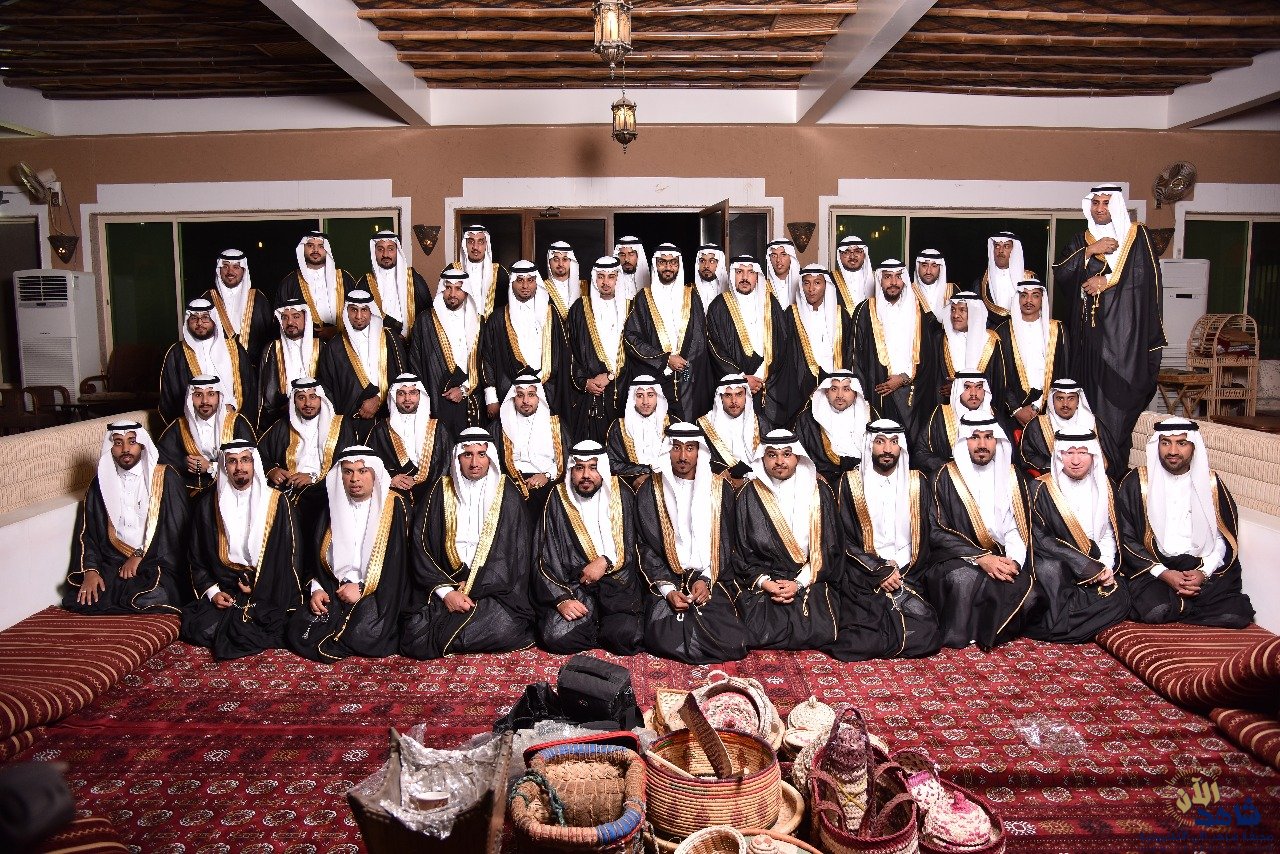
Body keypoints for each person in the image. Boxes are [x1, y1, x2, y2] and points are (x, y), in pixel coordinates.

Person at [1054, 184, 1166, 479]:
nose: (1100, 208)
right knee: (1088, 411)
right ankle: (1088, 474)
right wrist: (1090, 250)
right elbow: (1061, 274)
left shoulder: (1137, 236)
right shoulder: (1081, 240)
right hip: (1088, 344)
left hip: (1125, 346)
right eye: (1096, 203)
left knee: (1118, 414)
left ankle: (1115, 476)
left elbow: (1146, 284)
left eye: (1106, 202)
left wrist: (1107, 283)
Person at [400, 428, 535, 659]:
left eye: (481, 454)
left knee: (505, 626)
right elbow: (420, 547)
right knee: (414, 632)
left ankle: (457, 633)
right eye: (467, 455)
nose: (474, 463)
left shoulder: (508, 493)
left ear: (490, 457)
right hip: (447, 583)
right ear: (457, 458)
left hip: (492, 589)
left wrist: (475, 586)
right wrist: (447, 593)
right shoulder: (439, 491)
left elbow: (517, 555)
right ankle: (465, 631)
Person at [1116, 418, 1254, 628]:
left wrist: (1203, 573)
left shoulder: (1211, 484)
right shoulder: (1137, 481)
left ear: (1193, 446)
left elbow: (1223, 538)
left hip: (1197, 566)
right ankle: (1186, 605)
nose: (1172, 451)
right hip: (1155, 568)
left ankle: (1182, 605)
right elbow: (1125, 537)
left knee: (1236, 615)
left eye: (1181, 443)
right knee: (1156, 609)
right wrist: (1164, 573)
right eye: (1165, 443)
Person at [635, 422, 749, 664]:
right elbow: (645, 547)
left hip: (712, 576)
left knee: (733, 642)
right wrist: (668, 590)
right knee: (662, 638)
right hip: (667, 577)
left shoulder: (720, 489)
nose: (683, 456)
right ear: (668, 450)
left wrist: (706, 579)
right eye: (676, 447)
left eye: (690, 448)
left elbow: (727, 542)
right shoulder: (650, 490)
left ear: (700, 451)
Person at [927, 414, 1041, 650]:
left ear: (997, 440)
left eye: (989, 437)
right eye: (975, 438)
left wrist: (1014, 561)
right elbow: (937, 531)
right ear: (963, 441)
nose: (982, 444)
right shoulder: (943, 477)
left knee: (1029, 595)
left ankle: (985, 630)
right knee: (964, 579)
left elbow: (1016, 527)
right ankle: (962, 633)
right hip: (953, 556)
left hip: (1000, 556)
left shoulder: (1012, 476)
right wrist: (980, 558)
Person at [180, 440, 301, 659]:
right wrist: (213, 592)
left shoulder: (277, 502)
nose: (239, 467)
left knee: (282, 625)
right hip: (227, 585)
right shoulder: (207, 504)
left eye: (245, 460)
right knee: (200, 627)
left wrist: (260, 586)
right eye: (232, 461)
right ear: (224, 466)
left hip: (270, 587)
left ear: (254, 464)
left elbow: (291, 557)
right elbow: (196, 556)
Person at [286, 446, 409, 661]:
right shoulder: (329, 508)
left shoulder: (395, 507)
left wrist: (362, 588)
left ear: (375, 473)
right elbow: (314, 559)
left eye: (362, 471)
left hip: (379, 591)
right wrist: (317, 588)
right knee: (298, 628)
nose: (355, 479)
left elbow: (398, 566)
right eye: (348, 472)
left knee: (368, 632)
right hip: (335, 588)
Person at [834, 419, 943, 660]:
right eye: (880, 442)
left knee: (927, 633)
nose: (887, 449)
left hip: (909, 570)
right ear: (869, 445)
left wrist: (898, 566)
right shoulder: (849, 483)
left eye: (894, 442)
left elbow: (927, 533)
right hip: (864, 572)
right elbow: (842, 539)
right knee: (859, 639)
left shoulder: (917, 483)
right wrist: (879, 569)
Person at [64, 421, 189, 616]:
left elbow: (176, 532)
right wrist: (90, 571)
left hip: (156, 562)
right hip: (115, 563)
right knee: (81, 597)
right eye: (118, 443)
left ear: (142, 445)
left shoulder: (165, 477)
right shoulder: (99, 485)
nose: (125, 449)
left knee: (154, 593)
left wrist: (140, 555)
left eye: (132, 441)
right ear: (110, 447)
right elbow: (88, 533)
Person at [732, 430, 841, 651]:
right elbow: (739, 551)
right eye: (772, 455)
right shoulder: (747, 494)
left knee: (820, 630)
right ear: (763, 458)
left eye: (787, 454)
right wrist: (766, 583)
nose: (780, 461)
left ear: (798, 457)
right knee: (754, 631)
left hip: (808, 577)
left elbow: (829, 548)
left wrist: (799, 583)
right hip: (764, 578)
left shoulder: (819, 492)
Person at [534, 441, 643, 655]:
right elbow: (543, 556)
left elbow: (634, 544)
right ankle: (599, 628)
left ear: (602, 469)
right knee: (555, 635)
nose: (586, 475)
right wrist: (562, 598)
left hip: (618, 587)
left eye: (593, 467)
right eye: (579, 468)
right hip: (576, 587)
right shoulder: (557, 497)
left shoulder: (622, 494)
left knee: (626, 636)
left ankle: (604, 627)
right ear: (571, 471)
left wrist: (605, 561)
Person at [1027, 431, 1131, 643]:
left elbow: (1109, 533)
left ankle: (1064, 623)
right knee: (1049, 573)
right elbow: (1040, 539)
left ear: (1093, 455)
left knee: (1121, 598)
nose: (1075, 461)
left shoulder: (1106, 485)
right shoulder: (1040, 488)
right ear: (1059, 455)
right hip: (1057, 564)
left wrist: (1105, 566)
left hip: (1096, 563)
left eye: (1083, 453)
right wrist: (1084, 566)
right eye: (1069, 453)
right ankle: (1065, 623)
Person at [850, 259, 941, 440]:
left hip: (913, 394)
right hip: (877, 391)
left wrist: (903, 378)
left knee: (911, 443)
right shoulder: (864, 310)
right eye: (887, 277)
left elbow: (928, 357)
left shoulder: (918, 310)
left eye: (898, 277)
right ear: (880, 280)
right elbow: (855, 357)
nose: (893, 282)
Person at [258, 379, 358, 535]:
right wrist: (271, 470)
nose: (308, 403)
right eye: (301, 398)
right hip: (290, 490)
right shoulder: (282, 426)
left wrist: (313, 477)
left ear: (321, 398)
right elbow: (257, 454)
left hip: (326, 491)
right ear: (294, 401)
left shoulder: (341, 425)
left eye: (313, 397)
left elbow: (349, 463)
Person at [623, 244, 708, 421]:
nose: (668, 267)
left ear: (679, 265)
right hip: (654, 379)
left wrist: (683, 365)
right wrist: (665, 360)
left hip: (687, 381)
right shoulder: (643, 298)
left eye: (673, 262)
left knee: (686, 429)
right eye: (662, 262)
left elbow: (700, 336)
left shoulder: (691, 295)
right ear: (656, 265)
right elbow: (631, 338)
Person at [705, 255, 788, 425]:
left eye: (750, 272)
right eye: (739, 272)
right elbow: (715, 349)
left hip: (768, 385)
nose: (744, 277)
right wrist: (741, 379)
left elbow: (783, 343)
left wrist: (763, 376)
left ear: (757, 276)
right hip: (734, 389)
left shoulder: (771, 304)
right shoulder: (718, 306)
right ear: (732, 275)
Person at [410, 269, 493, 436]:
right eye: (448, 288)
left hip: (470, 396)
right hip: (435, 397)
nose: (452, 294)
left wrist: (464, 389)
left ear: (466, 291)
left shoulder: (479, 322)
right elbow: (415, 364)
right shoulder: (425, 320)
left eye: (458, 288)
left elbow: (486, 361)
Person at [317, 289, 407, 440]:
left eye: (364, 310)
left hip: (388, 417)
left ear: (371, 311)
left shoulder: (390, 338)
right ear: (346, 312)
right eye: (354, 310)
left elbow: (402, 377)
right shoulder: (334, 346)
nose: (359, 316)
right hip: (351, 421)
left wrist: (379, 398)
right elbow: (328, 389)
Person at [481, 260, 568, 413]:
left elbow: (563, 356)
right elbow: (487, 358)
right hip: (509, 391)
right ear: (512, 283)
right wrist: (491, 398)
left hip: (548, 390)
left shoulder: (551, 314)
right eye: (520, 280)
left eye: (530, 280)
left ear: (536, 283)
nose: (525, 286)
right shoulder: (498, 318)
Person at [566, 257, 631, 443]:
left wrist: (611, 376)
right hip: (591, 392)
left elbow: (636, 352)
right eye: (601, 276)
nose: (605, 282)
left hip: (623, 389)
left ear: (618, 278)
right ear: (594, 278)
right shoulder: (580, 308)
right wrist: (584, 382)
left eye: (611, 277)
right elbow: (570, 351)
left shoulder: (631, 307)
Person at [156, 375, 256, 494]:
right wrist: (185, 463)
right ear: (190, 398)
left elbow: (251, 464)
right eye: (198, 395)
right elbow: (161, 458)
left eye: (211, 394)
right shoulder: (180, 425)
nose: (205, 401)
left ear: (219, 396)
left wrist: (210, 467)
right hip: (189, 491)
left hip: (229, 489)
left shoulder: (237, 423)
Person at [159, 298, 252, 423]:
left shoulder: (234, 349)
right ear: (187, 321)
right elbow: (170, 396)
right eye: (194, 318)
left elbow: (249, 387)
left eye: (205, 318)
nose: (199, 323)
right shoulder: (177, 353)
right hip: (194, 422)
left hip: (232, 419)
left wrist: (232, 408)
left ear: (214, 319)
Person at [781, 264, 856, 421]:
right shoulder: (791, 314)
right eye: (806, 283)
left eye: (817, 283)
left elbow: (849, 353)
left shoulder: (841, 315)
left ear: (826, 285)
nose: (811, 289)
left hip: (836, 385)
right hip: (800, 385)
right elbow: (785, 356)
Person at [487, 373, 570, 513]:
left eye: (531, 395)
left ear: (539, 397)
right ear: (513, 398)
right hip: (510, 485)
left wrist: (546, 476)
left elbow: (566, 460)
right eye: (520, 395)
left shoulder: (556, 425)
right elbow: (492, 464)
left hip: (547, 482)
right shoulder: (499, 427)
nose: (525, 401)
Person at [367, 373, 451, 507]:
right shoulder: (381, 430)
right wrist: (390, 479)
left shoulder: (438, 428)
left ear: (420, 395)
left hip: (432, 496)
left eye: (412, 393)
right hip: (395, 495)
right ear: (394, 396)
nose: (407, 398)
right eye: (401, 393)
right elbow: (369, 463)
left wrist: (422, 483)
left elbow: (447, 463)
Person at [995, 279, 1068, 432]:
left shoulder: (1057, 329)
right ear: (1018, 298)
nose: (1029, 300)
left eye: (1035, 295)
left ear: (1042, 299)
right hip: (1014, 411)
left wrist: (1039, 404)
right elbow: (998, 376)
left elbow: (1064, 371)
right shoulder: (1003, 331)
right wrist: (1016, 409)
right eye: (1024, 295)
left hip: (1050, 406)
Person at [913, 372, 1006, 476]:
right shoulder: (940, 414)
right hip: (951, 479)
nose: (973, 393)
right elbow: (920, 453)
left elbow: (1007, 453)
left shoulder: (994, 415)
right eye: (967, 387)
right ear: (957, 389)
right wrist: (952, 468)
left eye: (979, 387)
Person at [793, 369, 872, 484]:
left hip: (864, 477)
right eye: (834, 389)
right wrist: (812, 474)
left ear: (855, 393)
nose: (840, 395)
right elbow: (797, 454)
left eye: (846, 389)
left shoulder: (870, 415)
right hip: (822, 480)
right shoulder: (807, 418)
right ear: (826, 392)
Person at [276, 231, 359, 339]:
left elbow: (358, 312)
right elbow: (281, 319)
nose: (315, 250)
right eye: (310, 246)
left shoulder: (344, 278)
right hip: (305, 342)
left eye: (321, 246)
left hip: (342, 341)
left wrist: (337, 331)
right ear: (303, 248)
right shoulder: (289, 282)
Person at [257, 298, 321, 432]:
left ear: (306, 318)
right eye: (285, 318)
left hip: (317, 419)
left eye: (296, 316)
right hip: (280, 419)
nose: (290, 322)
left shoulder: (321, 347)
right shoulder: (271, 349)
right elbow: (264, 395)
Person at [697, 374, 772, 488]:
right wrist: (718, 469)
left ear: (746, 395)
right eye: (728, 395)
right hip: (718, 485)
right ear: (720, 397)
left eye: (739, 394)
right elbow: (699, 460)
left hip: (755, 485)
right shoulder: (705, 424)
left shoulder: (761, 424)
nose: (734, 401)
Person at [203, 249, 275, 363]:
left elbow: (269, 338)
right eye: (225, 266)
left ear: (243, 270)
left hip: (254, 368)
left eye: (236, 267)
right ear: (219, 269)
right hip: (216, 366)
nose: (230, 272)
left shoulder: (258, 299)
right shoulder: (208, 299)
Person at [1017, 378, 1100, 478]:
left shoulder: (1092, 423)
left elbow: (1107, 456)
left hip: (1090, 478)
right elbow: (1027, 457)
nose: (1065, 404)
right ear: (1052, 400)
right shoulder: (1037, 425)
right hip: (1052, 478)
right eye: (1060, 398)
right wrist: (1060, 467)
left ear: (1078, 401)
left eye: (1071, 398)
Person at [605, 375, 670, 490]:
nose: (645, 402)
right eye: (640, 396)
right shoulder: (619, 426)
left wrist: (654, 476)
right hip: (630, 487)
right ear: (633, 398)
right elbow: (612, 463)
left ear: (658, 396)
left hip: (667, 485)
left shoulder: (672, 424)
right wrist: (643, 472)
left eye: (650, 395)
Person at [936, 291, 1003, 397]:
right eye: (953, 310)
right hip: (947, 404)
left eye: (962, 310)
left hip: (984, 404)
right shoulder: (940, 339)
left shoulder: (991, 340)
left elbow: (998, 382)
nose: (955, 315)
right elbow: (935, 379)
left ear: (974, 313)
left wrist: (959, 388)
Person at [365, 230, 431, 338]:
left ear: (397, 251)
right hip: (378, 343)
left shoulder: (413, 279)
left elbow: (427, 316)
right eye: (380, 249)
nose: (385, 254)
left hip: (411, 343)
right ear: (374, 252)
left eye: (390, 249)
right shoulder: (366, 282)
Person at [973, 231, 1035, 327]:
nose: (1000, 251)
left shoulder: (1030, 279)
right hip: (992, 333)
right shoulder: (981, 284)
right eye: (997, 246)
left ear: (1014, 250)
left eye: (1006, 246)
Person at [453, 224, 505, 317]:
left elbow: (506, 308)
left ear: (486, 245)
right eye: (471, 242)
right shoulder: (453, 270)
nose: (475, 247)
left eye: (480, 242)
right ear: (465, 245)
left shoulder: (499, 272)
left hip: (491, 325)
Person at [544, 240, 583, 322]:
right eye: (556, 259)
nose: (560, 264)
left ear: (571, 262)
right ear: (549, 262)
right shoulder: (541, 288)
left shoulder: (585, 288)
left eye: (565, 259)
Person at [831, 234, 875, 307]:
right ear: (840, 256)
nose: (852, 256)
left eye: (857, 251)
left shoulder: (876, 279)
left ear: (864, 254)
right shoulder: (830, 279)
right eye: (846, 252)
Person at [912, 248, 955, 320]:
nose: (928, 271)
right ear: (918, 267)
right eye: (924, 265)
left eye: (934, 266)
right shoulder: (908, 291)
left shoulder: (952, 290)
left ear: (940, 268)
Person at [764, 238, 801, 308]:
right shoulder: (764, 286)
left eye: (783, 255)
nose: (778, 260)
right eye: (774, 256)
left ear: (791, 257)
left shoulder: (803, 285)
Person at [694, 243, 729, 314]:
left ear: (719, 264)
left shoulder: (729, 293)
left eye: (712, 261)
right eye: (702, 261)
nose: (706, 266)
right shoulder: (689, 292)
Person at [613, 235, 649, 299]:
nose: (626, 259)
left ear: (638, 256)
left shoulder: (651, 284)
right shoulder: (609, 285)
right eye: (622, 255)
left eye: (631, 254)